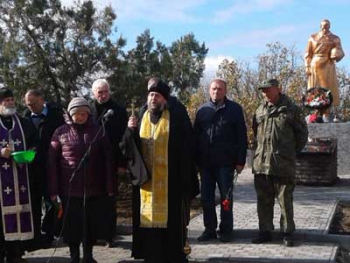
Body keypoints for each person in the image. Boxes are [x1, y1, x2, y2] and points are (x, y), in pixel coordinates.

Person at [126, 77, 199, 263]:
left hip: (171, 181)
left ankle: (173, 254)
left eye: (157, 96)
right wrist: (130, 131)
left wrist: (186, 178)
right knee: (147, 222)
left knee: (172, 221)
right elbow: (129, 147)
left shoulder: (177, 113)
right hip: (146, 182)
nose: (153, 99)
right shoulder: (141, 114)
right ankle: (150, 255)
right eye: (150, 95)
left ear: (164, 99)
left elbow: (188, 144)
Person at [48, 97, 115, 263]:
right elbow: (51, 162)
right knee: (72, 226)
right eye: (77, 113)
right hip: (69, 188)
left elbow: (108, 159)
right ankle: (74, 255)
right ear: (71, 114)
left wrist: (110, 186)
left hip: (93, 188)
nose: (81, 116)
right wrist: (53, 190)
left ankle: (88, 255)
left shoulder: (98, 131)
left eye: (84, 113)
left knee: (90, 225)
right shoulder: (60, 132)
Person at [251, 79, 308, 247]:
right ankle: (265, 231)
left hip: (283, 164)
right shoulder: (260, 110)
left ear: (278, 89)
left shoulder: (292, 109)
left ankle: (287, 233)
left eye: (268, 90)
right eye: (263, 91)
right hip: (262, 163)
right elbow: (256, 132)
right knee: (263, 200)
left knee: (285, 201)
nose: (265, 93)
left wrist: (289, 153)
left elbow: (302, 135)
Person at [194, 78, 248, 243]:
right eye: (213, 89)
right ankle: (209, 229)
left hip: (226, 163)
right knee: (206, 199)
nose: (216, 91)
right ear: (209, 90)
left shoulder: (234, 109)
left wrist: (240, 161)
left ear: (225, 91)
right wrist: (195, 161)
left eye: (219, 89)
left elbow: (241, 137)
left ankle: (226, 230)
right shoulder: (202, 110)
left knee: (226, 199)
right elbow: (195, 137)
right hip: (206, 164)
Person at [23, 89, 65, 248]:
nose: (31, 107)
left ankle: (48, 234)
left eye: (33, 103)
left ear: (41, 99)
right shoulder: (25, 117)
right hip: (31, 168)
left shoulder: (56, 115)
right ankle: (34, 237)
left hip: (51, 167)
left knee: (51, 202)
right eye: (28, 104)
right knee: (33, 203)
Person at [0, 87, 37, 263]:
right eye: (6, 100)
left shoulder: (24, 123)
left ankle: (17, 255)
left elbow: (35, 142)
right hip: (1, 183)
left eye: (11, 99)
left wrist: (30, 153)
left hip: (22, 178)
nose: (10, 103)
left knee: (20, 216)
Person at [90, 79, 127, 247]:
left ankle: (109, 235)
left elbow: (123, 139)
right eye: (99, 92)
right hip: (91, 163)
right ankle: (95, 234)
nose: (103, 95)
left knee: (109, 200)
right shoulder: (87, 110)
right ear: (93, 94)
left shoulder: (118, 110)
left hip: (111, 162)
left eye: (105, 91)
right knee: (93, 200)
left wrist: (122, 164)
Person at [305, 19, 345, 119]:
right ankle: (315, 111)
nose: (324, 28)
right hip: (315, 64)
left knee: (328, 88)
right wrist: (307, 66)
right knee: (315, 88)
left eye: (326, 26)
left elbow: (341, 51)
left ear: (329, 26)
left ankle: (327, 111)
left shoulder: (335, 38)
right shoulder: (312, 38)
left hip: (328, 65)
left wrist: (337, 53)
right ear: (320, 26)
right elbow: (307, 54)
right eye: (323, 26)